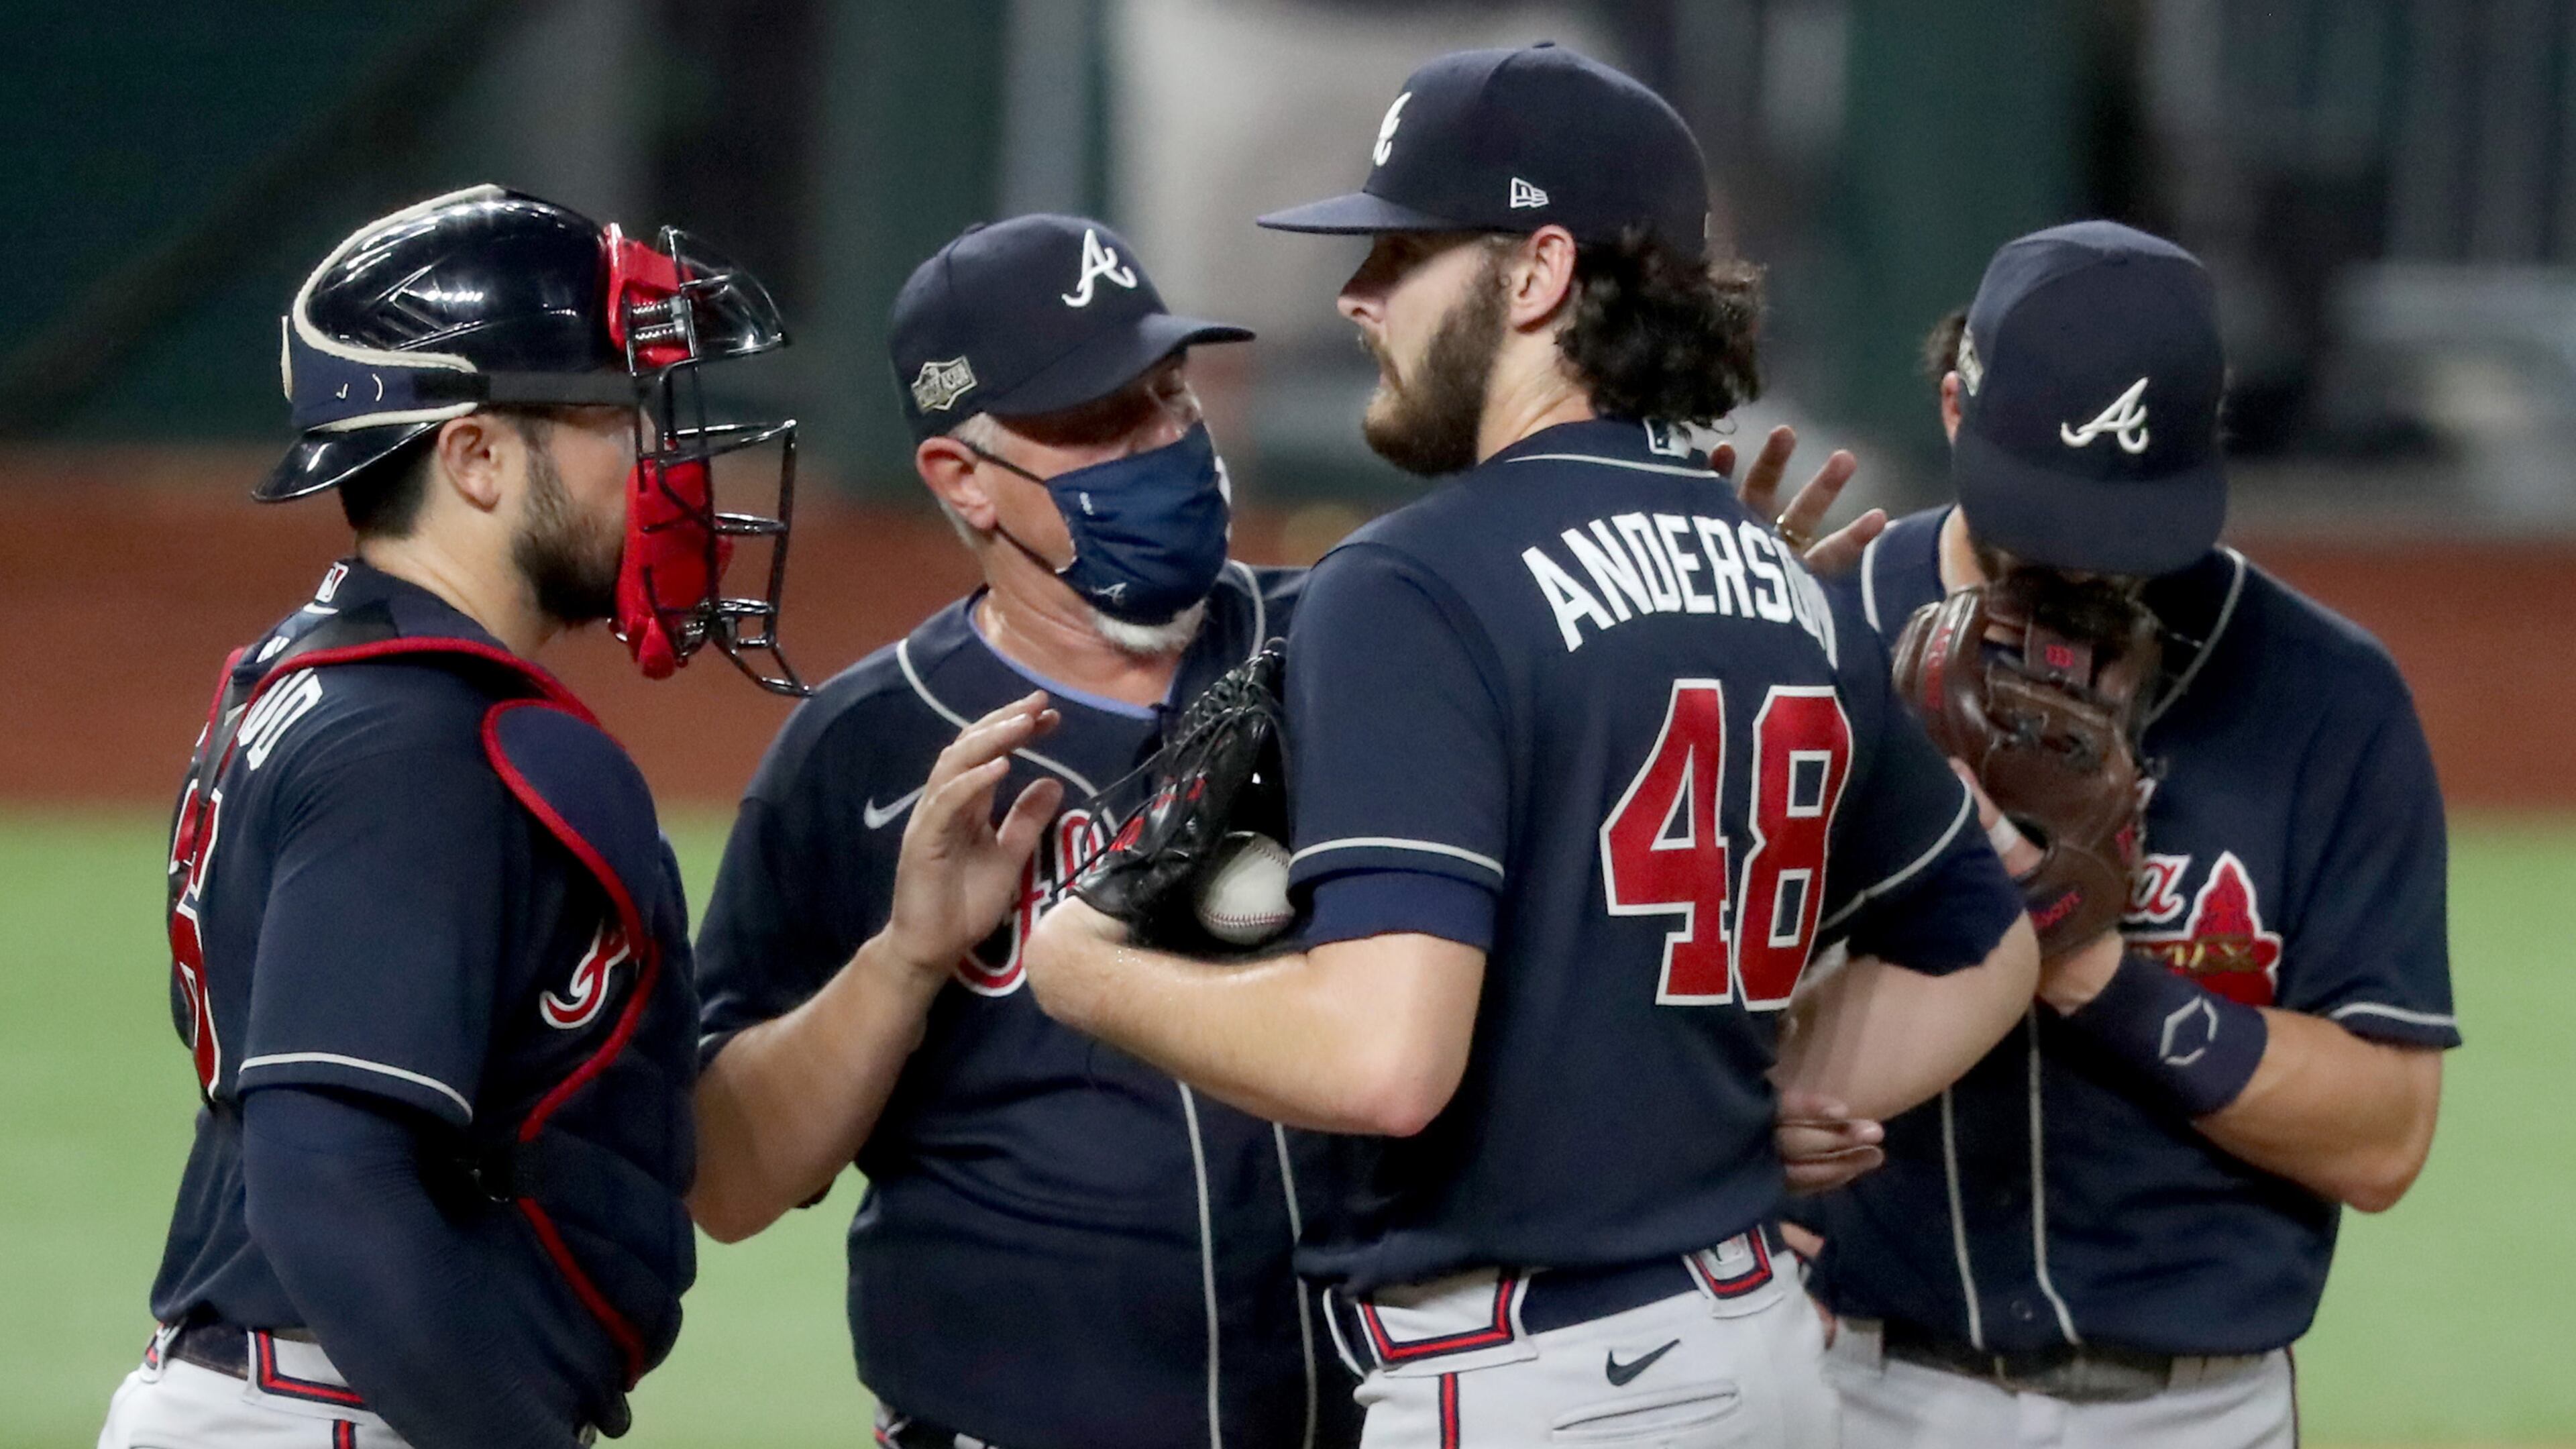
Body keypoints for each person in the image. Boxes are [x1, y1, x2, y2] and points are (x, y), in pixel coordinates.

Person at [1023, 45, 2043, 1446]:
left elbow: (1385, 1065)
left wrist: (1080, 970)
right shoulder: (1776, 582)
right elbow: (1993, 941)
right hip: (1763, 1361)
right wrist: (1755, 1109)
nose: (1355, 295)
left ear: (1538, 272)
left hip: (1542, 1389)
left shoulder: (1411, 583)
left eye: (1401, 251)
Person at [101, 185, 802, 1449]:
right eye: (613, 418)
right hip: (340, 1409)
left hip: (323, 1391)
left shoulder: (330, 668)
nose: (663, 467)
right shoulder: (414, 742)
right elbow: (328, 1182)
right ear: (475, 457)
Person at [689, 213, 1351, 1449]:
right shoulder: (864, 752)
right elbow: (729, 1180)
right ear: (964, 479)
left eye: (1170, 395)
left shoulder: (1350, 650)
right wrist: (903, 960)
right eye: (1102, 422)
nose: (1162, 442)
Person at [1793, 220, 2455, 1447]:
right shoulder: (1818, 639)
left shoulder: (2325, 698)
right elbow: (1640, 1007)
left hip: (2199, 1415)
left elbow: (2384, 1138)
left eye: (2127, 525)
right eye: (2043, 517)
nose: (2083, 565)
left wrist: (2080, 957)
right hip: (1863, 1394)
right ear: (1953, 409)